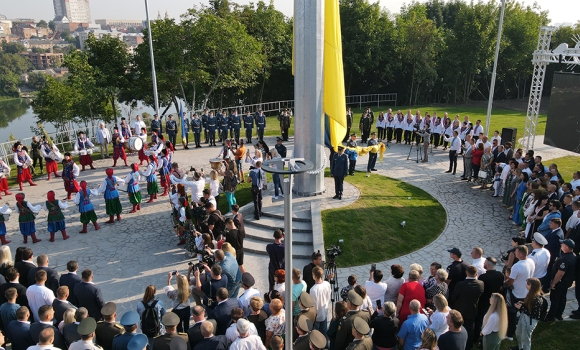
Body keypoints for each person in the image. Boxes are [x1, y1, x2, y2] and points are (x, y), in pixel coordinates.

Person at [448, 265, 483, 350]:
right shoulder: (481, 284)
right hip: (472, 310)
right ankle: (469, 345)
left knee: (458, 328)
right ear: (476, 274)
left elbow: (453, 297)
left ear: (466, 272)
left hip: (460, 310)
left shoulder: (460, 284)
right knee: (470, 328)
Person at [505, 245, 534, 337]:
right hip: (526, 293)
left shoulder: (517, 266)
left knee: (512, 313)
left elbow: (510, 281)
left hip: (516, 293)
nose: (514, 253)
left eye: (516, 252)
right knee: (522, 312)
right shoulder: (531, 261)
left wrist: (503, 285)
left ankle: (510, 334)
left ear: (521, 254)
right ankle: (520, 327)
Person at [545, 238, 576, 321]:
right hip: (567, 282)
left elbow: (560, 273)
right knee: (562, 298)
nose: (561, 245)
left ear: (566, 247)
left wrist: (553, 283)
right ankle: (559, 314)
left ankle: (551, 316)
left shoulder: (564, 259)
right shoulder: (573, 256)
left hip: (560, 283)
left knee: (555, 299)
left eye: (562, 244)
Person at [513, 278, 543, 350]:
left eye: (528, 284)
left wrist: (520, 308)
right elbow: (528, 306)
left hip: (529, 321)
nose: (526, 285)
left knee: (526, 339)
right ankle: (521, 347)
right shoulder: (530, 294)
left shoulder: (536, 299)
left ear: (533, 286)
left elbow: (534, 313)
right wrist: (522, 304)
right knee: (518, 333)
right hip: (524, 317)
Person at [310, 266, 331, 338]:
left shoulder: (313, 289)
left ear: (315, 276)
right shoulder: (327, 284)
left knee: (315, 334)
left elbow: (312, 304)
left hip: (317, 315)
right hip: (324, 311)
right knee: (324, 331)